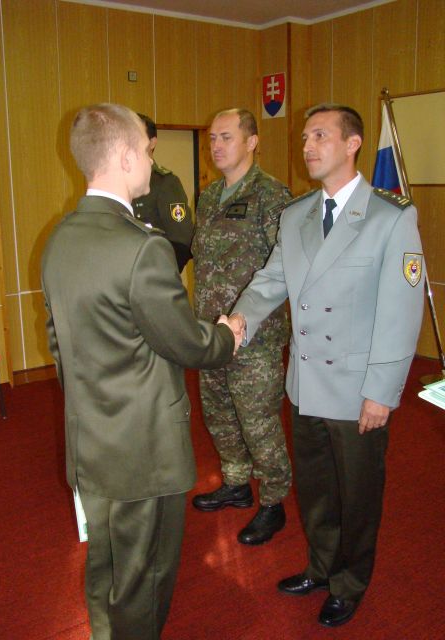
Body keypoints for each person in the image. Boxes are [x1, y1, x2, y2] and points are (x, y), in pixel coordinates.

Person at [41, 103, 240, 640]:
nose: (153, 162)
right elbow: (187, 343)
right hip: (144, 454)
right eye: (148, 152)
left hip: (90, 443)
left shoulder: (59, 239)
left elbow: (61, 347)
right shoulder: (141, 248)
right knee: (143, 582)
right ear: (127, 157)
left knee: (107, 569)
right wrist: (228, 334)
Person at [230, 103, 424, 626]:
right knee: (316, 490)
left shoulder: (390, 217)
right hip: (307, 383)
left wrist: (382, 392)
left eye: (320, 135)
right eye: (304, 138)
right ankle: (320, 567)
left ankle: (350, 582)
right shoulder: (295, 215)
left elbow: (401, 314)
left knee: (357, 496)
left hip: (358, 389)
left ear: (353, 143)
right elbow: (271, 280)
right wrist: (240, 319)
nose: (308, 146)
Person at [191, 108, 293, 545]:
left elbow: (284, 266)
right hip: (210, 332)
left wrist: (246, 320)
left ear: (252, 142)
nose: (216, 146)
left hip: (256, 336)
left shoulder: (272, 195)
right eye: (212, 138)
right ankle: (235, 482)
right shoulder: (209, 196)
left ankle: (273, 500)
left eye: (226, 137)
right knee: (218, 413)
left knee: (258, 421)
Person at [132, 113, 194, 271]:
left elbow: (182, 241)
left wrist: (158, 276)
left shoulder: (165, 182)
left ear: (152, 142)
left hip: (151, 275)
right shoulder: (118, 182)